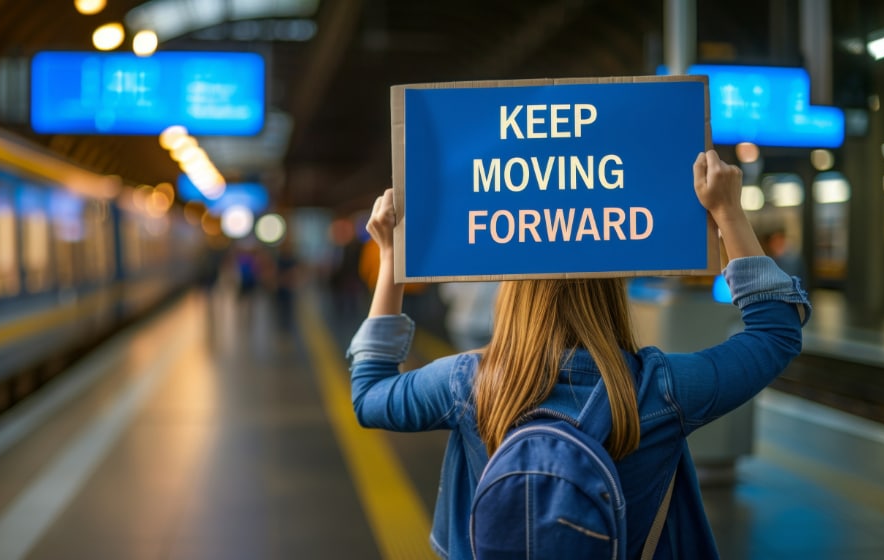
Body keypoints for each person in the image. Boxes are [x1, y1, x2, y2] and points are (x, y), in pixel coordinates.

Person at [346, 150, 811, 559]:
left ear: (512, 295)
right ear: (611, 295)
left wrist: (392, 261)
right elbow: (775, 334)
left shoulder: (468, 384)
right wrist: (729, 213)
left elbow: (369, 395)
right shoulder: (657, 389)